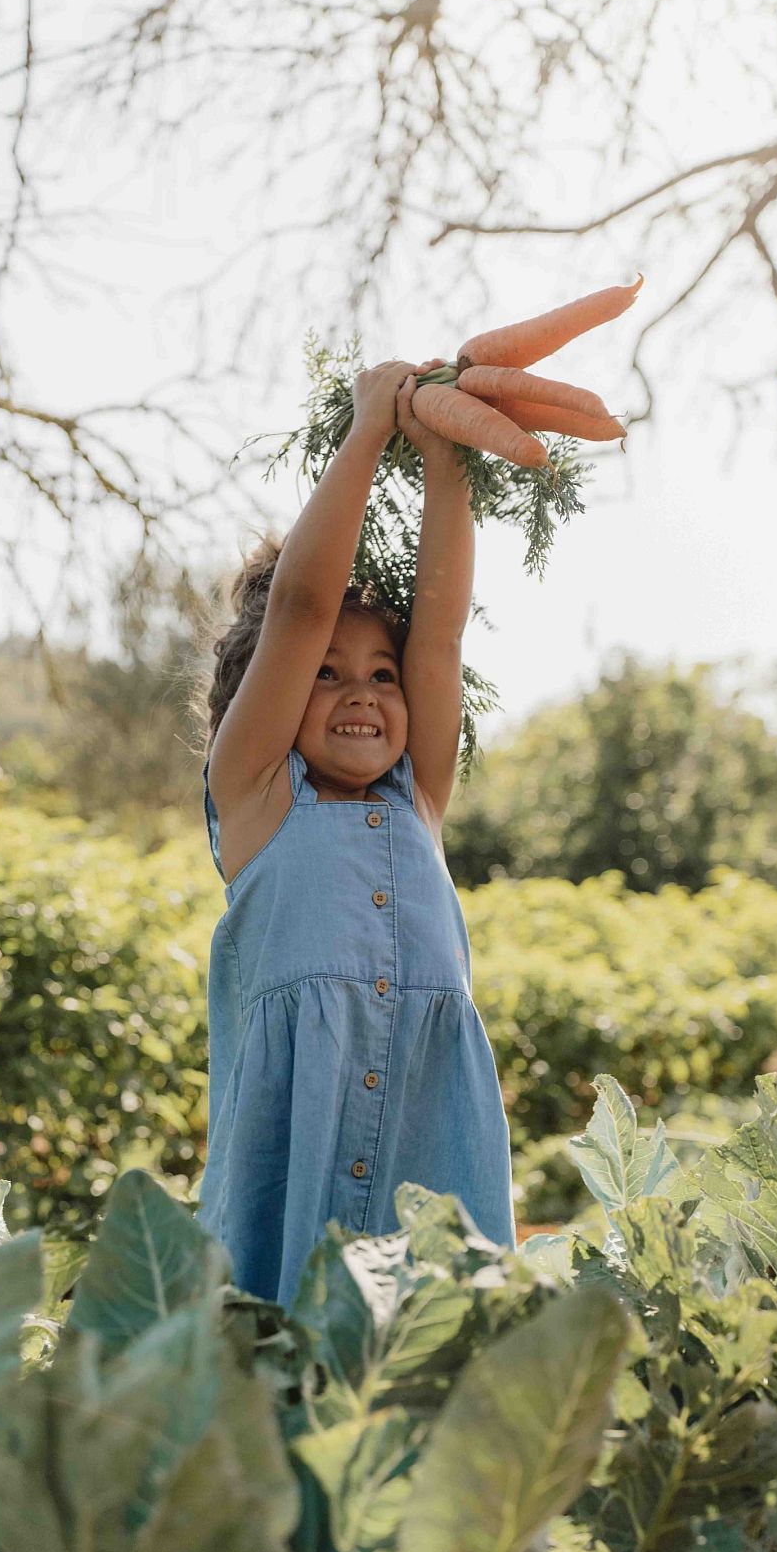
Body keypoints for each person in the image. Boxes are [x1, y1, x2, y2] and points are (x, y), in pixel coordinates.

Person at [194, 356, 516, 1308]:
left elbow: (442, 632)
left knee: (426, 1381)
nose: (364, 695)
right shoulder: (254, 797)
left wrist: (447, 458)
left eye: (382, 675)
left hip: (429, 1160)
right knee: (285, 1376)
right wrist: (368, 430)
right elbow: (299, 607)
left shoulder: (418, 798)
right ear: (272, 693)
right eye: (327, 675)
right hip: (295, 1164)